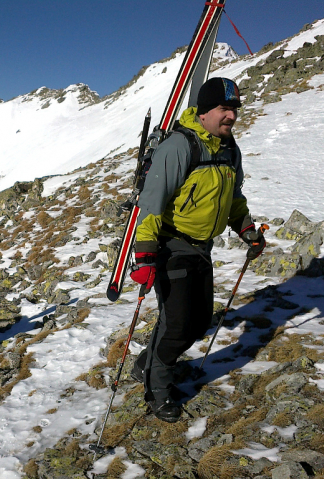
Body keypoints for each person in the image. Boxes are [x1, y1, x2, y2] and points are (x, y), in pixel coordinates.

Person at [129, 77, 266, 423]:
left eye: (234, 109)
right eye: (224, 109)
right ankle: (156, 391)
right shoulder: (180, 146)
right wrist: (143, 255)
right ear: (204, 112)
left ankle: (146, 364)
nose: (231, 116)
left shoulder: (228, 149)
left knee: (200, 320)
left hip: (202, 248)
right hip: (171, 245)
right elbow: (152, 204)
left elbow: (233, 198)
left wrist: (246, 229)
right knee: (176, 325)